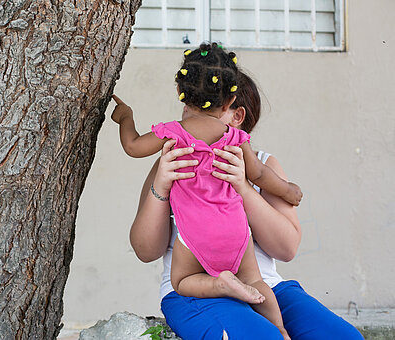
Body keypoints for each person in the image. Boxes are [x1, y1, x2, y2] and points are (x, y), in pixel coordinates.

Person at [123, 67, 364, 339]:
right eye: (189, 106)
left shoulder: (264, 165)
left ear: (236, 116)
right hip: (197, 290)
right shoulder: (175, 159)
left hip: (264, 286)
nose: (191, 116)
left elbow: (286, 248)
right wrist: (161, 185)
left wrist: (243, 187)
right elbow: (145, 250)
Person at [112, 43, 302, 339]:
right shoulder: (236, 138)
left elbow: (133, 146)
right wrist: (288, 191)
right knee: (256, 281)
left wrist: (125, 116)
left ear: (181, 94)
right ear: (229, 103)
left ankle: (220, 284)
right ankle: (279, 329)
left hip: (195, 236)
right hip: (236, 232)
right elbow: (260, 174)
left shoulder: (173, 136)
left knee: (183, 280)